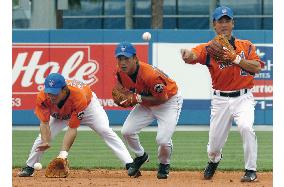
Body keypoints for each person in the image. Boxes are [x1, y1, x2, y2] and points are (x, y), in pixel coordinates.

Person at [180, 6, 264, 182]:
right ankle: (214, 160)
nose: (224, 24)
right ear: (214, 25)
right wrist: (187, 54)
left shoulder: (246, 46)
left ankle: (251, 170)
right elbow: (193, 55)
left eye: (227, 20)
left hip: (243, 98)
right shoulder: (210, 48)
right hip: (220, 100)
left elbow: (256, 67)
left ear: (233, 23)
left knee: (246, 127)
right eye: (220, 21)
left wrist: (236, 58)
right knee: (214, 146)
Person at [18, 73, 133, 177]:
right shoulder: (43, 97)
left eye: (54, 93)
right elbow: (44, 123)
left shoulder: (78, 96)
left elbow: (72, 129)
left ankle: (129, 163)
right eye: (49, 92)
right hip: (60, 113)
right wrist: (45, 141)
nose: (51, 96)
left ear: (64, 90)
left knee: (105, 130)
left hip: (88, 108)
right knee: (40, 139)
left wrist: (63, 155)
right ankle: (29, 167)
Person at [113, 42, 183, 179]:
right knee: (127, 131)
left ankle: (164, 164)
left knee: (163, 140)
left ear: (135, 59)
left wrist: (137, 98)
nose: (123, 62)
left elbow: (162, 99)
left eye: (126, 58)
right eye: (120, 59)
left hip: (168, 102)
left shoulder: (150, 75)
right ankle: (141, 156)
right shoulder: (120, 72)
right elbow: (120, 89)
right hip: (146, 102)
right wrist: (123, 97)